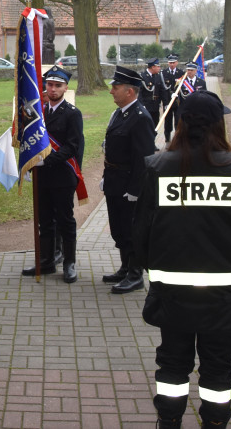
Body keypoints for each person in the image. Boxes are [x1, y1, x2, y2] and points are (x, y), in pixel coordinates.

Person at [134, 91, 231, 428]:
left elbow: (141, 233)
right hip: (224, 291)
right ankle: (215, 423)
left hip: (172, 289)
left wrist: (158, 267)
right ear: (219, 123)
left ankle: (169, 421)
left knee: (173, 363)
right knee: (219, 365)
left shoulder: (157, 166)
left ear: (182, 122)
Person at [20, 66, 85, 283]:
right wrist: (30, 164)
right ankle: (47, 260)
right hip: (42, 178)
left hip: (62, 175)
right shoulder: (38, 113)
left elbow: (72, 146)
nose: (53, 89)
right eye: (49, 85)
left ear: (66, 87)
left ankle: (69, 263)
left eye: (58, 85)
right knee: (45, 221)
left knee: (65, 220)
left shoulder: (72, 114)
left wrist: (45, 161)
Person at [101, 66, 156, 294]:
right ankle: (125, 267)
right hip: (114, 180)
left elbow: (143, 158)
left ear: (130, 92)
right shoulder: (120, 112)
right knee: (119, 229)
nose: (111, 91)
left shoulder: (140, 118)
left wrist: (135, 190)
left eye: (115, 87)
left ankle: (135, 274)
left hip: (129, 184)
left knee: (132, 230)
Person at [158, 55, 185, 146]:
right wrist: (164, 102)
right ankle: (167, 140)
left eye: (173, 62)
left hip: (178, 102)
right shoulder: (163, 73)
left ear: (177, 62)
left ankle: (177, 140)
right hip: (168, 102)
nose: (172, 64)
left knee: (178, 121)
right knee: (168, 122)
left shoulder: (181, 73)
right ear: (168, 63)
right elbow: (162, 89)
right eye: (170, 63)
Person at [139, 58, 163, 127]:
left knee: (155, 125)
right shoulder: (142, 76)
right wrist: (142, 105)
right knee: (146, 126)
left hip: (155, 106)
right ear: (153, 67)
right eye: (158, 66)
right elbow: (139, 93)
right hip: (146, 106)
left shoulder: (158, 76)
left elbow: (161, 90)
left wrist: (165, 103)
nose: (159, 68)